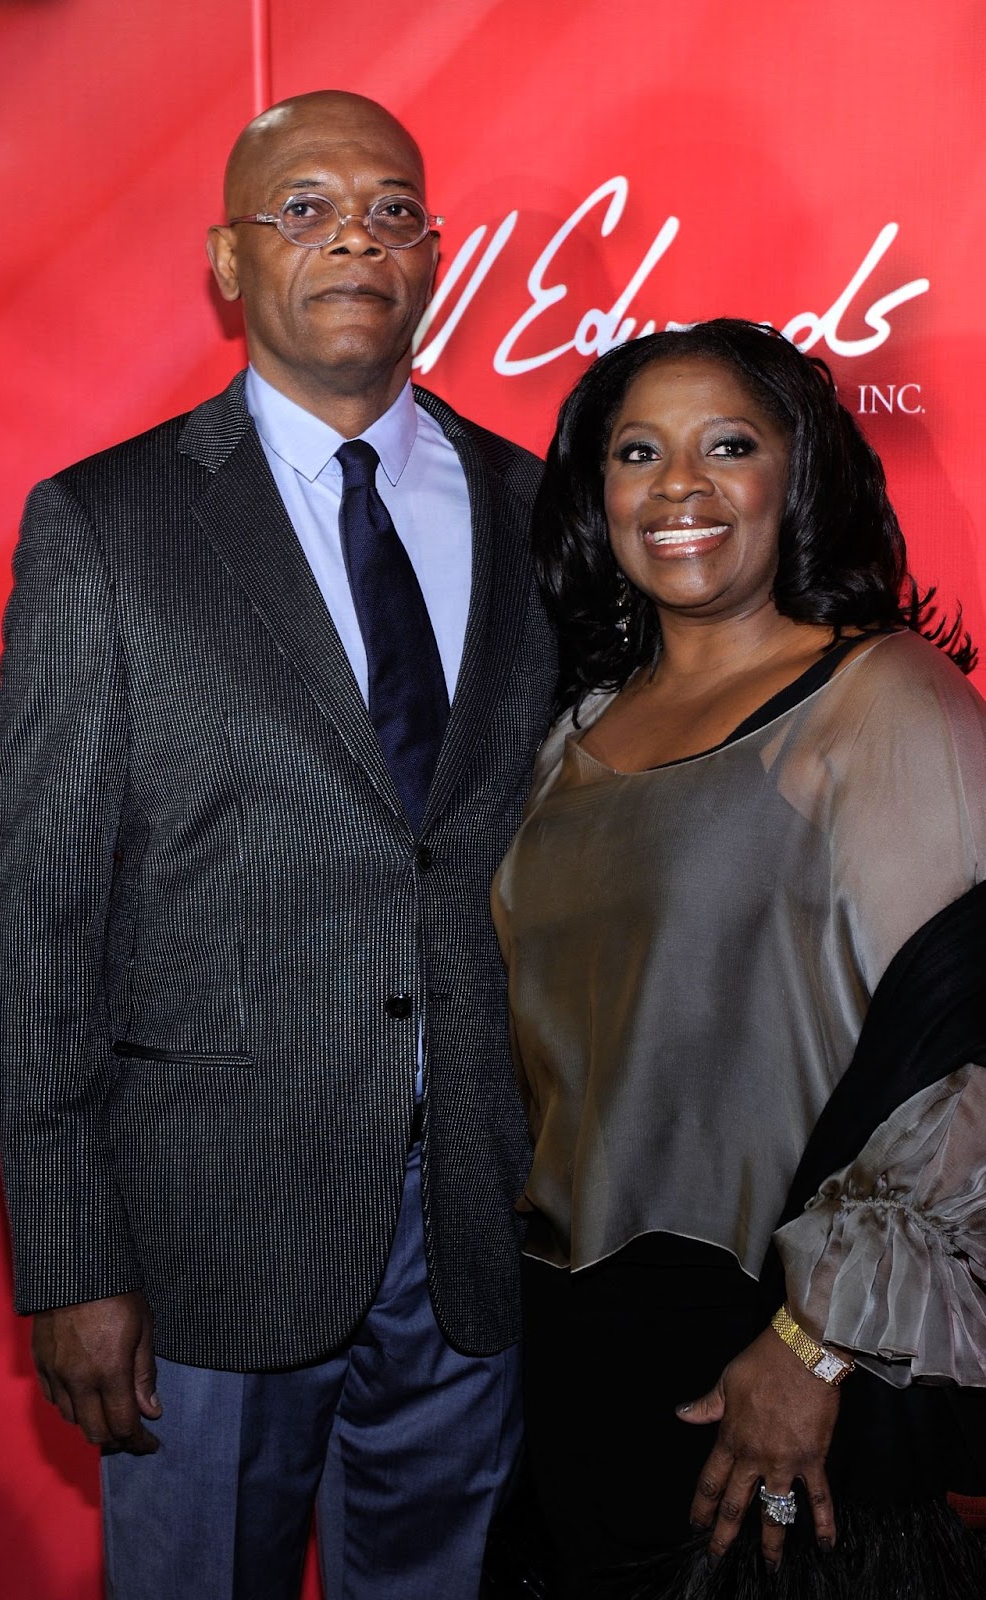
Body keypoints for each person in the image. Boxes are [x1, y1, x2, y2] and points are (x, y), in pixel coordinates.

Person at [0, 90, 556, 1600]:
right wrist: (71, 1261)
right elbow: (42, 921)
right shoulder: (105, 526)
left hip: (476, 1230)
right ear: (229, 263)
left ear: (433, 252)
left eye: (389, 208)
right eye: (303, 208)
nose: (353, 236)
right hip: (202, 1245)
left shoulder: (543, 510)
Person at [492, 319, 986, 1598]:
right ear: (598, 496)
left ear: (797, 473)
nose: (680, 487)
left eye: (730, 445)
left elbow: (964, 1051)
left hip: (769, 1359)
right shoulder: (575, 730)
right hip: (574, 1357)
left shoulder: (884, 698)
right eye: (638, 451)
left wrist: (817, 1343)